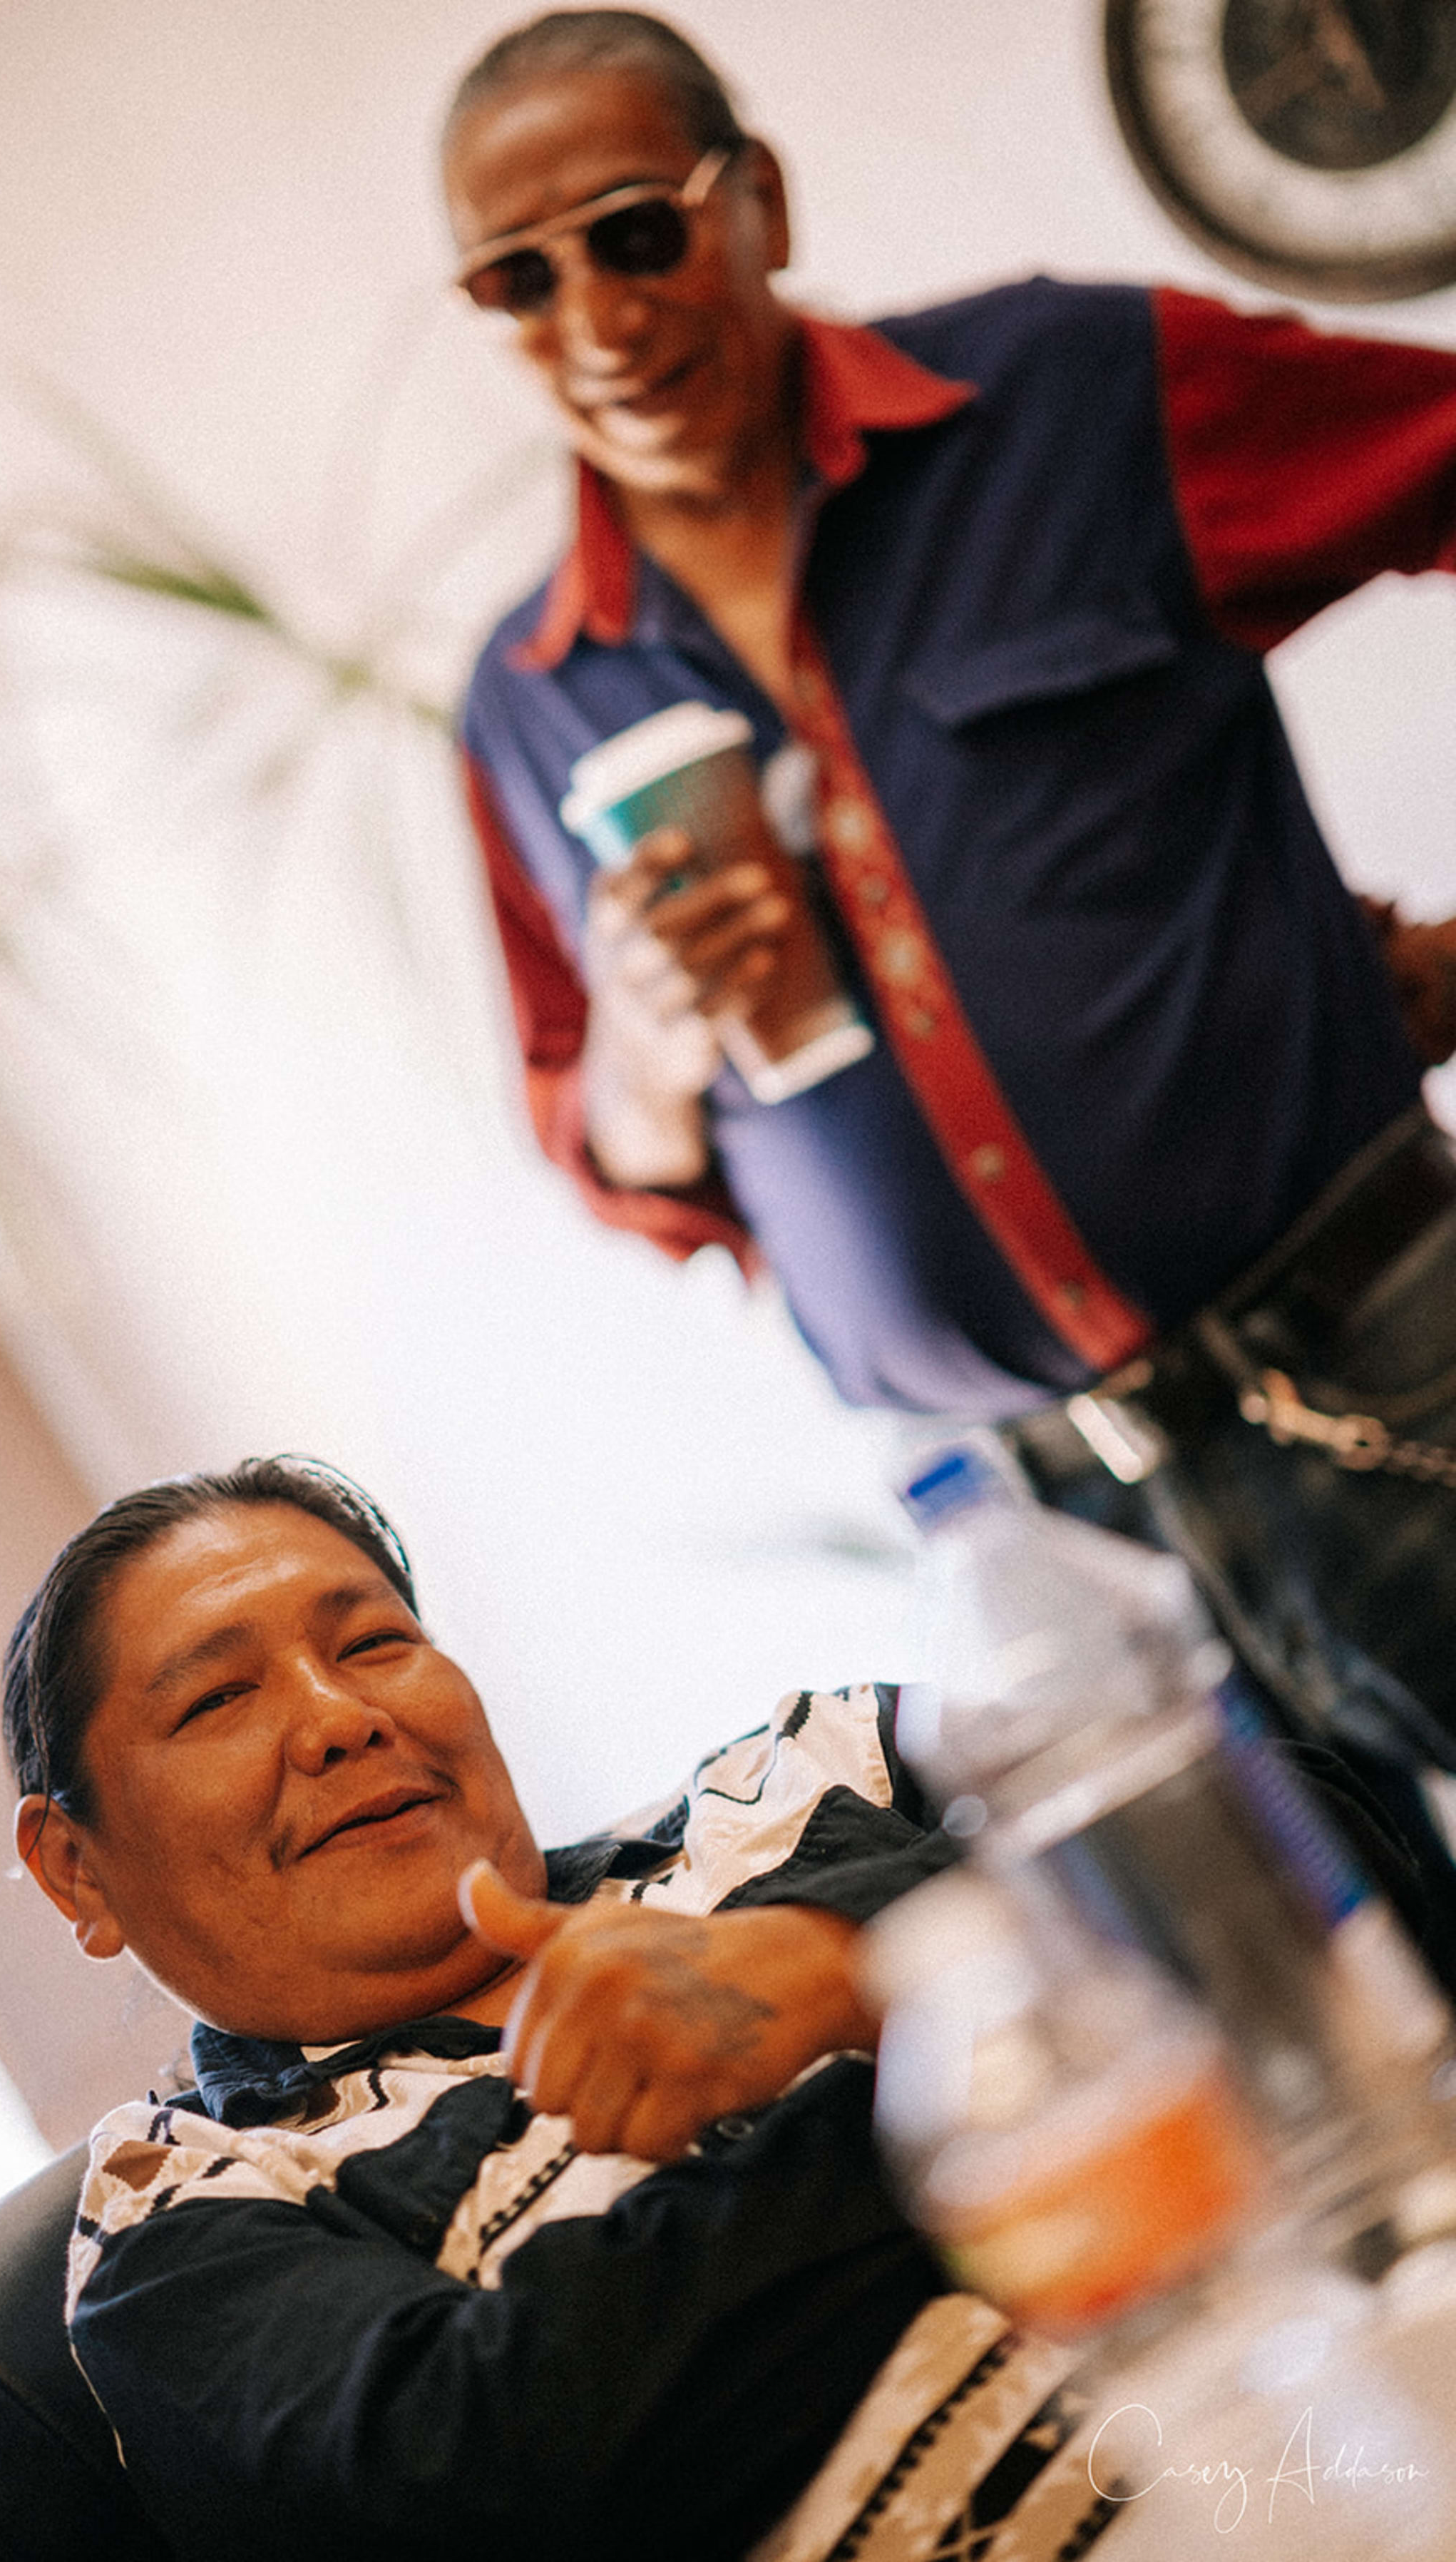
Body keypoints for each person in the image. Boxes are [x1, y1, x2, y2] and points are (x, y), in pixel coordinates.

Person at [445, 6, 1456, 1908]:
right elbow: (613, 1149)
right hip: (1055, 1532)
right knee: (1351, 2064)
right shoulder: (522, 705)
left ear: (757, 204)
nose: (592, 318)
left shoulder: (1073, 394)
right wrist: (658, 1037)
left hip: (1390, 1344)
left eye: (635, 233)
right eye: (518, 278)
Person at [8, 1454, 1134, 2562]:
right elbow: (510, 2478)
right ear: (77, 1869)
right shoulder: (185, 2209)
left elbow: (1266, 1822)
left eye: (374, 1643)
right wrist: (937, 2020)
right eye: (216, 1698)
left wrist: (835, 1956)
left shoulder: (813, 1778)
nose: (338, 1717)